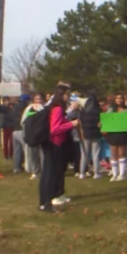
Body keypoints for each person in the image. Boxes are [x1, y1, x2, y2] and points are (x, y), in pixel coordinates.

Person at [39, 84, 77, 213]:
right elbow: (55, 129)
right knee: (50, 174)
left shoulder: (54, 108)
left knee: (47, 174)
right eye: (67, 94)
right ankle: (47, 203)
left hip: (52, 144)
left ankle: (44, 203)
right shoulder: (58, 108)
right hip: (54, 144)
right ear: (62, 95)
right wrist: (71, 124)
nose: (69, 97)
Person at [105, 94, 127, 181]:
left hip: (122, 133)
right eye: (117, 98)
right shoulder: (110, 110)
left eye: (121, 98)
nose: (119, 100)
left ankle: (122, 174)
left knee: (122, 153)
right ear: (115, 99)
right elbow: (106, 120)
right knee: (113, 154)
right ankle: (114, 173)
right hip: (113, 134)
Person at [22, 93, 45, 180]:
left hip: (42, 136)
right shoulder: (29, 109)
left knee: (43, 155)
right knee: (33, 155)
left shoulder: (45, 109)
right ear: (34, 100)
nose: (39, 101)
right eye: (37, 99)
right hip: (32, 136)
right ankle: (35, 171)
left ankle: (44, 171)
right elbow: (24, 122)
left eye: (40, 99)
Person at [79, 94, 103, 179]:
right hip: (96, 133)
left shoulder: (83, 110)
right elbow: (101, 122)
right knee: (95, 154)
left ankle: (82, 173)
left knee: (84, 154)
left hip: (85, 133)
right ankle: (96, 173)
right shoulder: (98, 110)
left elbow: (80, 122)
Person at [11, 94, 31, 174]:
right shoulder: (26, 107)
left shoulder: (14, 107)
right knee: (27, 149)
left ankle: (17, 167)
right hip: (22, 129)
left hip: (14, 130)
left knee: (17, 150)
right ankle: (28, 166)